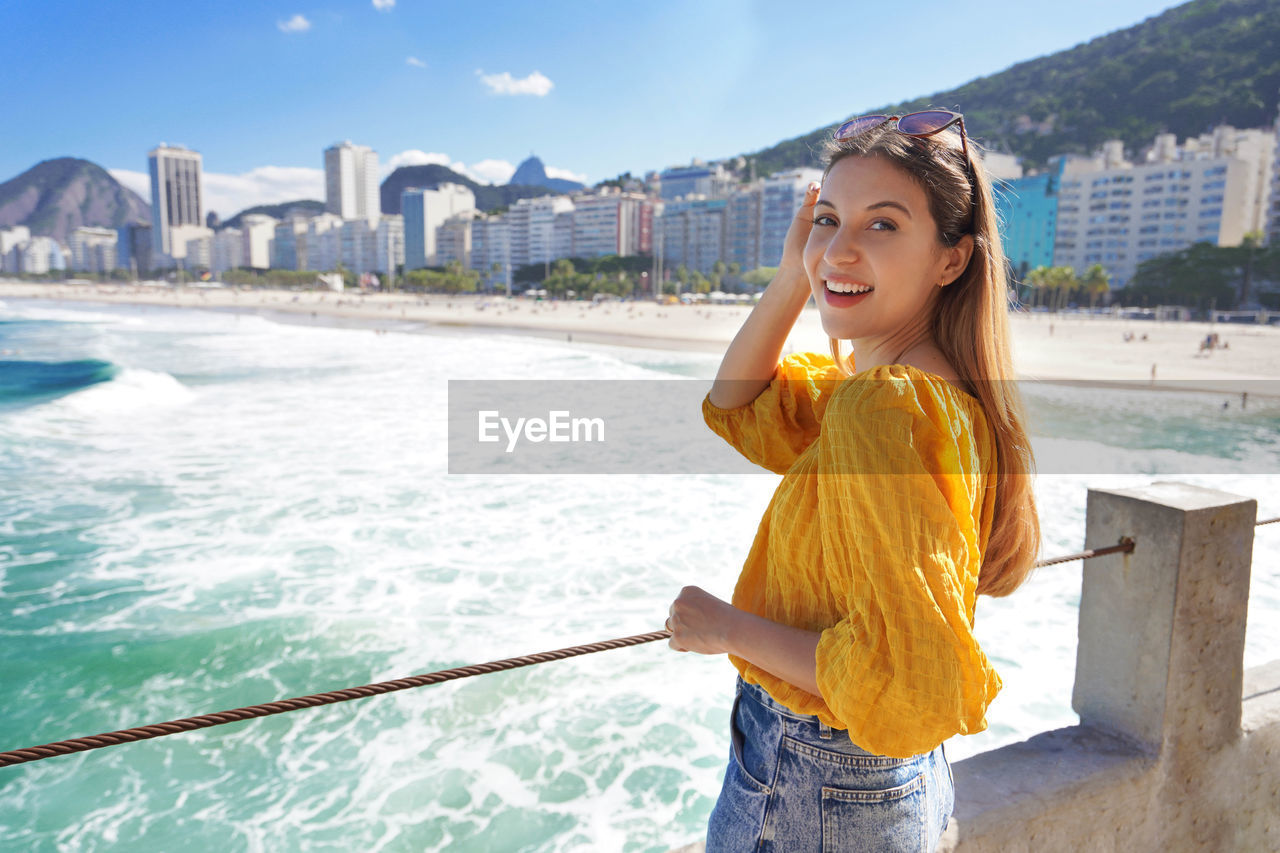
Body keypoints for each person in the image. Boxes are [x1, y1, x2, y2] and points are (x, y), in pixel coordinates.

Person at [665, 110, 1041, 852]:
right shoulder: (925, 390)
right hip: (880, 779)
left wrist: (726, 627)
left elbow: (908, 681)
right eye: (828, 219)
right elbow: (740, 405)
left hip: (814, 777)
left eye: (882, 225)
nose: (838, 249)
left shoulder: (885, 408)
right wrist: (790, 278)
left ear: (951, 259)